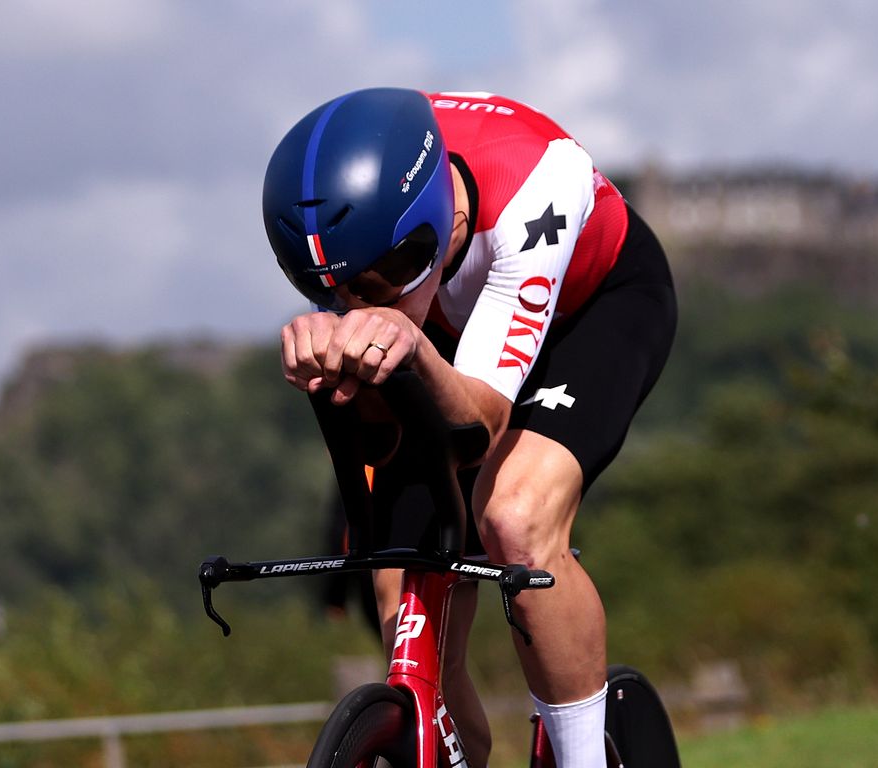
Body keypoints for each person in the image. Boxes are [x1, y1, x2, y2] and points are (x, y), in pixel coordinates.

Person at [262, 88, 676, 768]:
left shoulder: (539, 183)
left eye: (386, 276)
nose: (364, 302)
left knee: (514, 517)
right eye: (334, 289)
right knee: (399, 580)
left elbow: (477, 427)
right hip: (453, 334)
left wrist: (407, 340)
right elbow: (383, 435)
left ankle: (583, 760)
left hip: (592, 313)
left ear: (441, 217)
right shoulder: (355, 217)